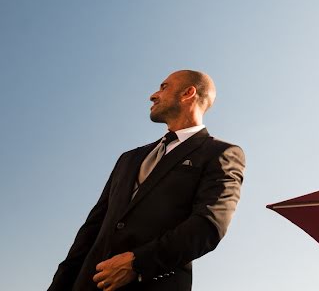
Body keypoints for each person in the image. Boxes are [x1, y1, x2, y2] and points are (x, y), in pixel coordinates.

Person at [49, 70, 245, 291]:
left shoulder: (221, 153)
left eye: (164, 87)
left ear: (188, 93)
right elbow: (92, 228)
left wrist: (138, 264)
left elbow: (208, 226)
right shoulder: (128, 158)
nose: (153, 95)